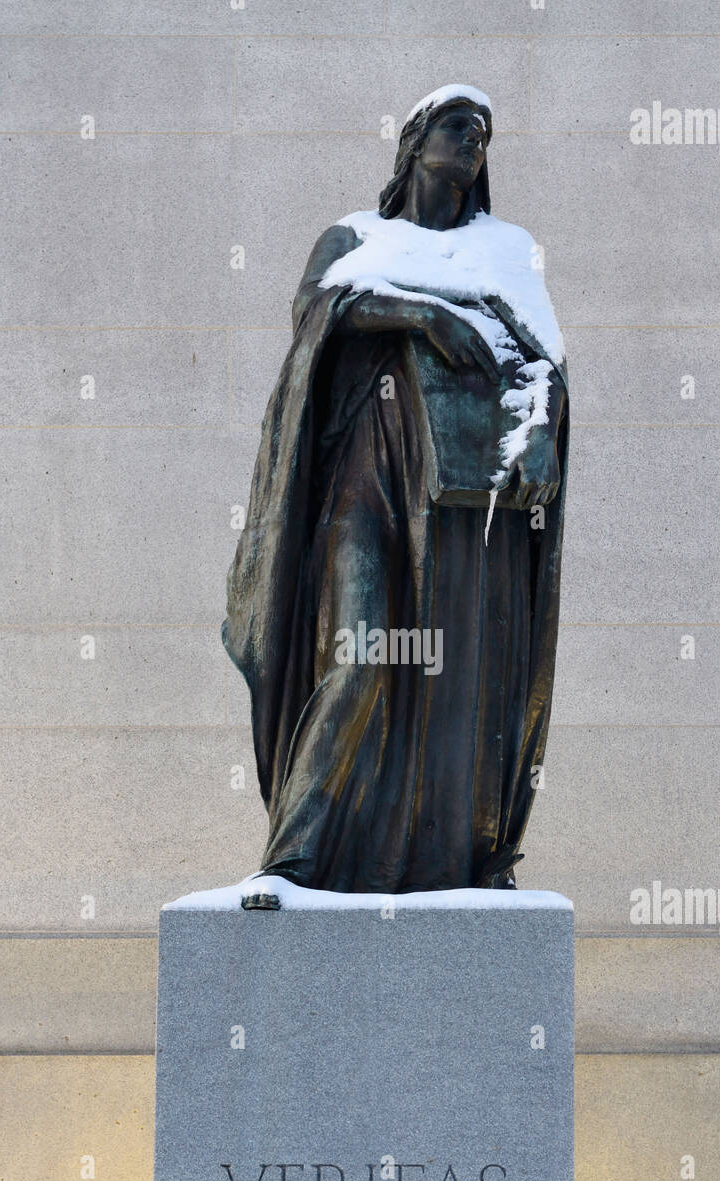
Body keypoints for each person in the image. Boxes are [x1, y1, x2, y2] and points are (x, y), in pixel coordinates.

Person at [223, 85, 569, 892]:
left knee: (459, 675)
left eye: (482, 132)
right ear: (413, 142)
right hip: (364, 477)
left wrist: (543, 432)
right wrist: (419, 316)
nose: (472, 141)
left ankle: (454, 859)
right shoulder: (356, 236)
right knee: (361, 653)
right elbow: (314, 310)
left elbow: (543, 363)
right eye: (455, 126)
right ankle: (294, 857)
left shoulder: (506, 249)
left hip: (462, 503)